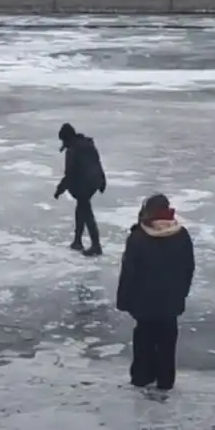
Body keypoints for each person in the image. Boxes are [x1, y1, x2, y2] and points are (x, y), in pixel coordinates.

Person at [116, 193, 196, 392]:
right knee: (167, 342)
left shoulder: (138, 237)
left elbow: (129, 273)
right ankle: (165, 381)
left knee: (144, 340)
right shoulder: (181, 234)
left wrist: (124, 300)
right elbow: (188, 268)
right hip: (171, 302)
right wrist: (181, 294)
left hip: (144, 303)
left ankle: (142, 377)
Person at [54, 123, 107, 256]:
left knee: (86, 211)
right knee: (81, 208)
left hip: (86, 183)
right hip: (95, 180)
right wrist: (102, 181)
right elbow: (97, 162)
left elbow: (70, 174)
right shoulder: (87, 144)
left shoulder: (73, 150)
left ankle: (96, 246)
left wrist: (59, 189)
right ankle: (77, 241)